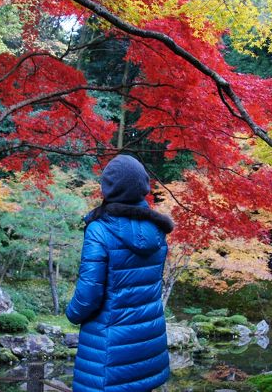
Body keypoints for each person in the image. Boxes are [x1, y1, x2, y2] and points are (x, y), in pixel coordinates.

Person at [66, 155, 174, 392]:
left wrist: (71, 313)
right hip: (148, 343)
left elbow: (88, 296)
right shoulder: (157, 229)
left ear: (108, 188)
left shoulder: (100, 229)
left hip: (109, 348)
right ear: (143, 187)